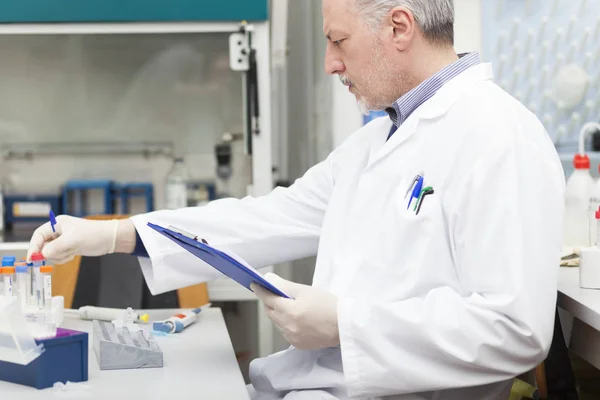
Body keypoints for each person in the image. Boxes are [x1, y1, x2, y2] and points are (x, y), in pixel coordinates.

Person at [28, 0, 566, 399]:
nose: (331, 63)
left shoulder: (498, 134)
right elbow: (267, 217)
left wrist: (345, 323)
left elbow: (515, 330)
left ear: (399, 27)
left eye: (339, 41)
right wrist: (114, 234)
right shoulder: (378, 140)